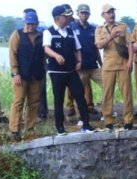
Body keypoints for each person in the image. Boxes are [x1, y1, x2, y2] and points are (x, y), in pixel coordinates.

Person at [44, 5, 96, 135]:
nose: (68, 19)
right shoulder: (48, 32)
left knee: (80, 96)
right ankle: (59, 127)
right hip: (56, 72)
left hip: (71, 71)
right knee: (59, 99)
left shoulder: (71, 32)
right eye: (65, 16)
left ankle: (86, 124)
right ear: (57, 18)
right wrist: (56, 55)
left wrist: (79, 61)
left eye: (68, 16)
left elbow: (77, 49)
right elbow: (46, 48)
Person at [95, 3, 134, 130]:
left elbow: (130, 44)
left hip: (123, 65)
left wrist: (130, 61)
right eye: (108, 12)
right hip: (108, 66)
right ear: (103, 15)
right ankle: (108, 121)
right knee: (107, 94)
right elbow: (99, 45)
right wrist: (111, 36)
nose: (111, 14)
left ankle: (128, 121)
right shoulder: (99, 29)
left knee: (127, 93)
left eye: (113, 12)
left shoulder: (123, 26)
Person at [8, 10, 45, 142]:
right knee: (18, 101)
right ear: (24, 23)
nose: (30, 26)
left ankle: (29, 128)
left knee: (34, 102)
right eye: (28, 23)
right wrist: (15, 73)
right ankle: (14, 129)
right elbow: (12, 54)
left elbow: (44, 55)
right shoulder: (17, 34)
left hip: (36, 75)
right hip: (21, 75)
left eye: (32, 24)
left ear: (37, 24)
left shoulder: (41, 36)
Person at [67, 4, 104, 118]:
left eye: (86, 13)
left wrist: (102, 64)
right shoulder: (72, 27)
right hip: (80, 68)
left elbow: (97, 49)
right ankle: (81, 116)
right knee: (79, 92)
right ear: (77, 14)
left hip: (93, 66)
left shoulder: (94, 29)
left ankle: (105, 112)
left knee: (108, 84)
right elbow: (69, 47)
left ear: (89, 14)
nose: (84, 15)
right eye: (82, 13)